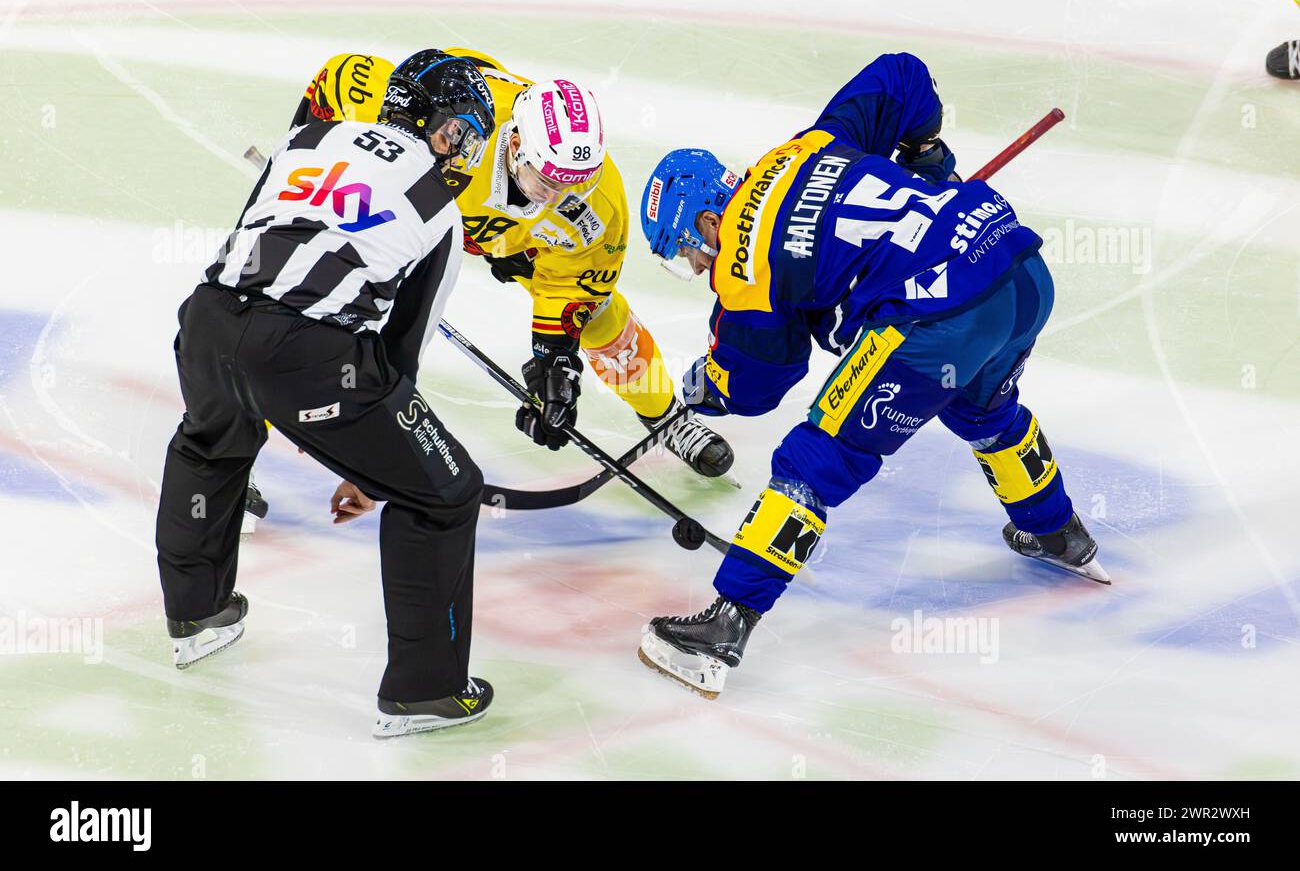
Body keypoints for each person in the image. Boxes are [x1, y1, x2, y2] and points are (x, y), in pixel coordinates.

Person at [633, 52, 1106, 699]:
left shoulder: (742, 266)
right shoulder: (808, 146)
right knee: (983, 410)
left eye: (687, 250)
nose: (696, 264)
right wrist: (929, 155)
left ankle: (725, 624)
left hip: (937, 315)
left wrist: (705, 386)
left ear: (707, 220)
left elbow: (759, 380)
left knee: (817, 455)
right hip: (1014, 265)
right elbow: (902, 74)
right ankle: (1056, 529)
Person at [156, 50, 496, 737]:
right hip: (301, 355)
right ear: (440, 126)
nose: (464, 151)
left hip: (207, 323)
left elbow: (246, 245)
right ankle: (424, 690)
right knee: (448, 492)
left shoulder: (312, 136)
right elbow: (398, 360)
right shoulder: (440, 208)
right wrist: (370, 468)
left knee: (212, 441)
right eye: (464, 131)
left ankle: (196, 615)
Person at [289, 49, 734, 476]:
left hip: (513, 240)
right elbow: (345, 76)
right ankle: (260, 408)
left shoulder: (600, 206)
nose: (558, 197)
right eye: (547, 181)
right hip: (419, 200)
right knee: (321, 286)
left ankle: (666, 416)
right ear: (516, 145)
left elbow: (573, 289)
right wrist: (305, 159)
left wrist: (553, 366)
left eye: (574, 184)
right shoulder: (447, 121)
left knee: (599, 319)